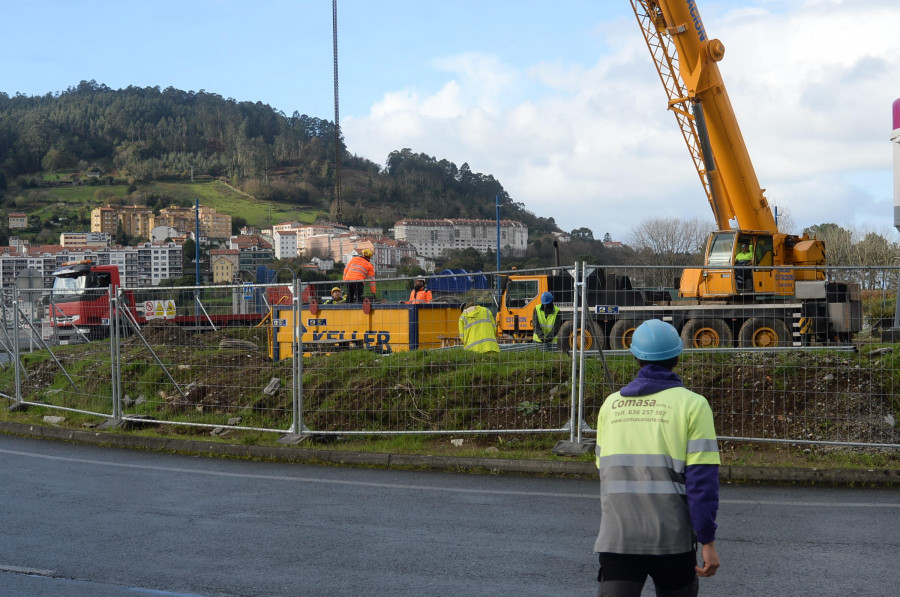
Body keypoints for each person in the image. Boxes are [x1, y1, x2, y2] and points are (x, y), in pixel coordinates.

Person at [594, 319, 720, 597]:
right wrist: (707, 540)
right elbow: (702, 483)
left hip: (618, 538)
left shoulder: (610, 405)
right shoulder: (692, 405)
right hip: (671, 540)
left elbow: (604, 468)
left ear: (636, 357)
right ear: (678, 356)